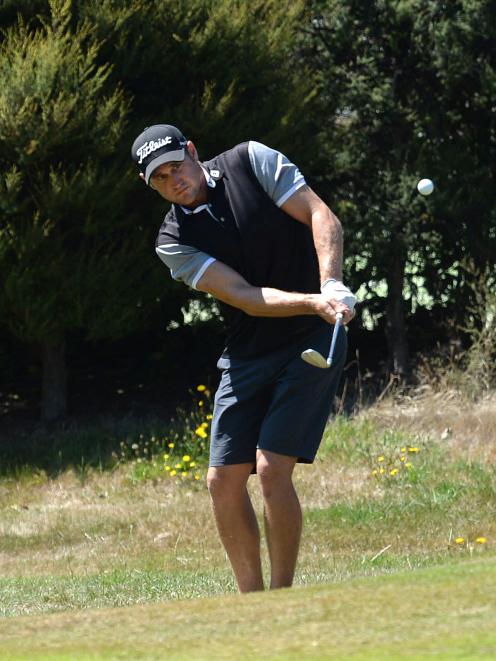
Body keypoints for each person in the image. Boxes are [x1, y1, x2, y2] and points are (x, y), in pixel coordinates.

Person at [131, 124, 356, 592]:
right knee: (222, 480)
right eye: (161, 179)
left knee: (272, 469)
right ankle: (251, 604)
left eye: (178, 167)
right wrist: (313, 299)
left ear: (193, 151)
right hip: (249, 352)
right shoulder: (172, 240)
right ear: (149, 185)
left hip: (312, 339)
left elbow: (321, 215)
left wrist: (330, 284)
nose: (175, 181)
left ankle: (281, 597)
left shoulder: (251, 161)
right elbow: (246, 296)